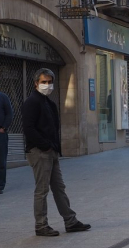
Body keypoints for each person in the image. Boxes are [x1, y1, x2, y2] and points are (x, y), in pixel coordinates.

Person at [22, 68, 90, 237]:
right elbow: (29, 129)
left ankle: (70, 220)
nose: (47, 85)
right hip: (39, 152)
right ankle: (41, 225)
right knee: (42, 190)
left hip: (51, 151)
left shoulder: (49, 103)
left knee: (59, 187)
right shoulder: (32, 102)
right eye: (44, 82)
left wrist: (54, 148)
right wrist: (45, 145)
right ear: (36, 83)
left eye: (50, 82)